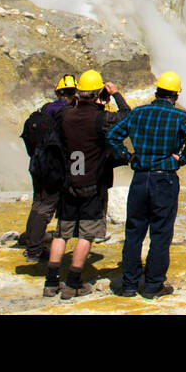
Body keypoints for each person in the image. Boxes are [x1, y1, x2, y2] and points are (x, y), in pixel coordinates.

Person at [107, 71, 186, 299]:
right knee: (160, 233)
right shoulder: (180, 117)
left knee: (134, 232)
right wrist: (182, 159)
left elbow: (113, 136)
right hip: (164, 178)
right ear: (176, 96)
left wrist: (126, 156)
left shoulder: (138, 113)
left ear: (156, 91)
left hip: (140, 177)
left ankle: (129, 285)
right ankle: (153, 285)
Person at [43, 70, 131, 299]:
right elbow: (126, 117)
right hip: (92, 184)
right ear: (98, 92)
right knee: (86, 235)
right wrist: (116, 94)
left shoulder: (64, 116)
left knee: (62, 233)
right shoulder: (102, 119)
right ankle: (73, 282)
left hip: (68, 183)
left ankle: (51, 281)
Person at [20, 74, 79, 262]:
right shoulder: (68, 112)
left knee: (38, 202)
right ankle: (35, 249)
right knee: (47, 206)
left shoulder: (46, 109)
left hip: (37, 162)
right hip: (54, 166)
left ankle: (30, 239)